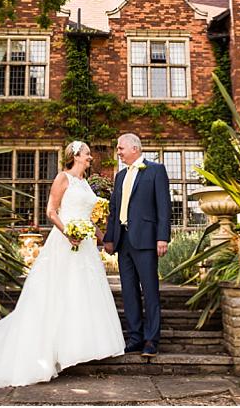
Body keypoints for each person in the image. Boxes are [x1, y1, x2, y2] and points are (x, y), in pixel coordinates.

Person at [0, 141, 125, 388]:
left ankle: (77, 346)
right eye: (87, 153)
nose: (90, 157)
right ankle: (51, 351)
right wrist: (68, 232)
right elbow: (51, 211)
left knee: (82, 294)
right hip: (65, 242)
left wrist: (105, 239)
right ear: (76, 155)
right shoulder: (62, 178)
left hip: (85, 246)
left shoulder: (86, 183)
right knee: (58, 294)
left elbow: (88, 218)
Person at [102, 133, 171, 358]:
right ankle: (134, 337)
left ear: (134, 148)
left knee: (150, 291)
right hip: (124, 242)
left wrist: (162, 237)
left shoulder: (155, 170)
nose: (118, 152)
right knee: (129, 292)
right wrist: (110, 239)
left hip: (146, 240)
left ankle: (151, 339)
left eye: (121, 148)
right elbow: (114, 209)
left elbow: (163, 206)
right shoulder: (120, 176)